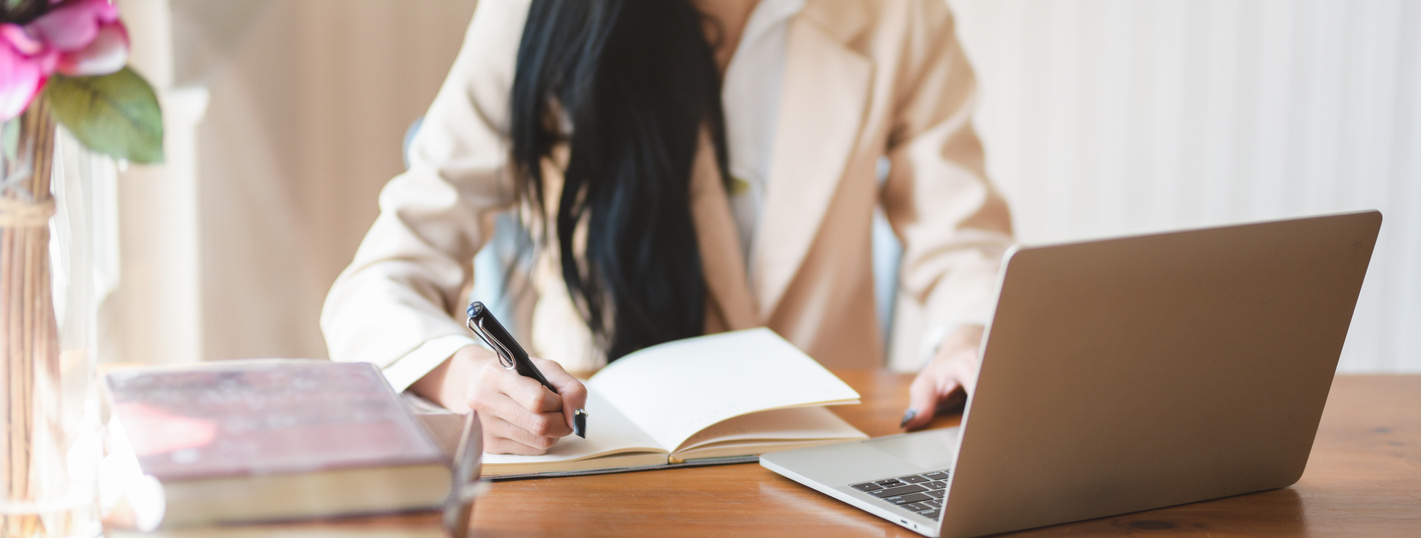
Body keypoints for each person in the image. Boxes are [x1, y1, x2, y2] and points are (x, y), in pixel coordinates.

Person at [321, 0, 1013, 455]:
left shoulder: (899, 16)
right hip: (604, 464)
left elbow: (963, 244)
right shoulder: (534, 15)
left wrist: (967, 336)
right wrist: (465, 377)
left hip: (823, 463)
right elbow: (380, 282)